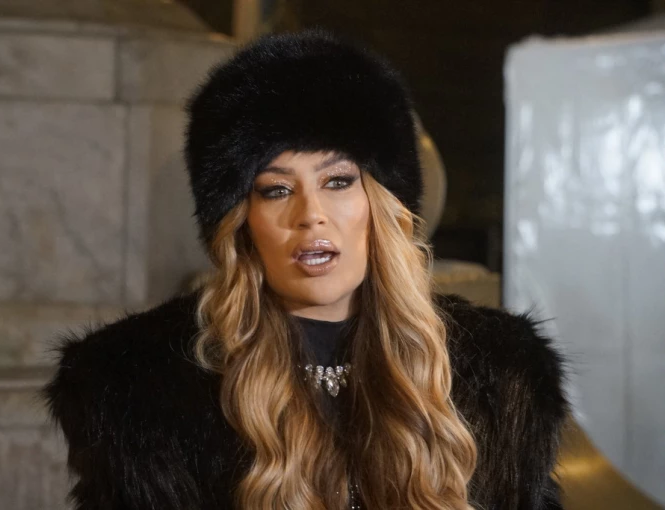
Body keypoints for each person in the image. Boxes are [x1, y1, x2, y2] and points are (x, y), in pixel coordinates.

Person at [43, 29, 568, 510]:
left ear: (381, 205)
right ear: (243, 223)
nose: (310, 213)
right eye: (276, 189)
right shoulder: (140, 391)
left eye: (337, 181)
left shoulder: (503, 376)